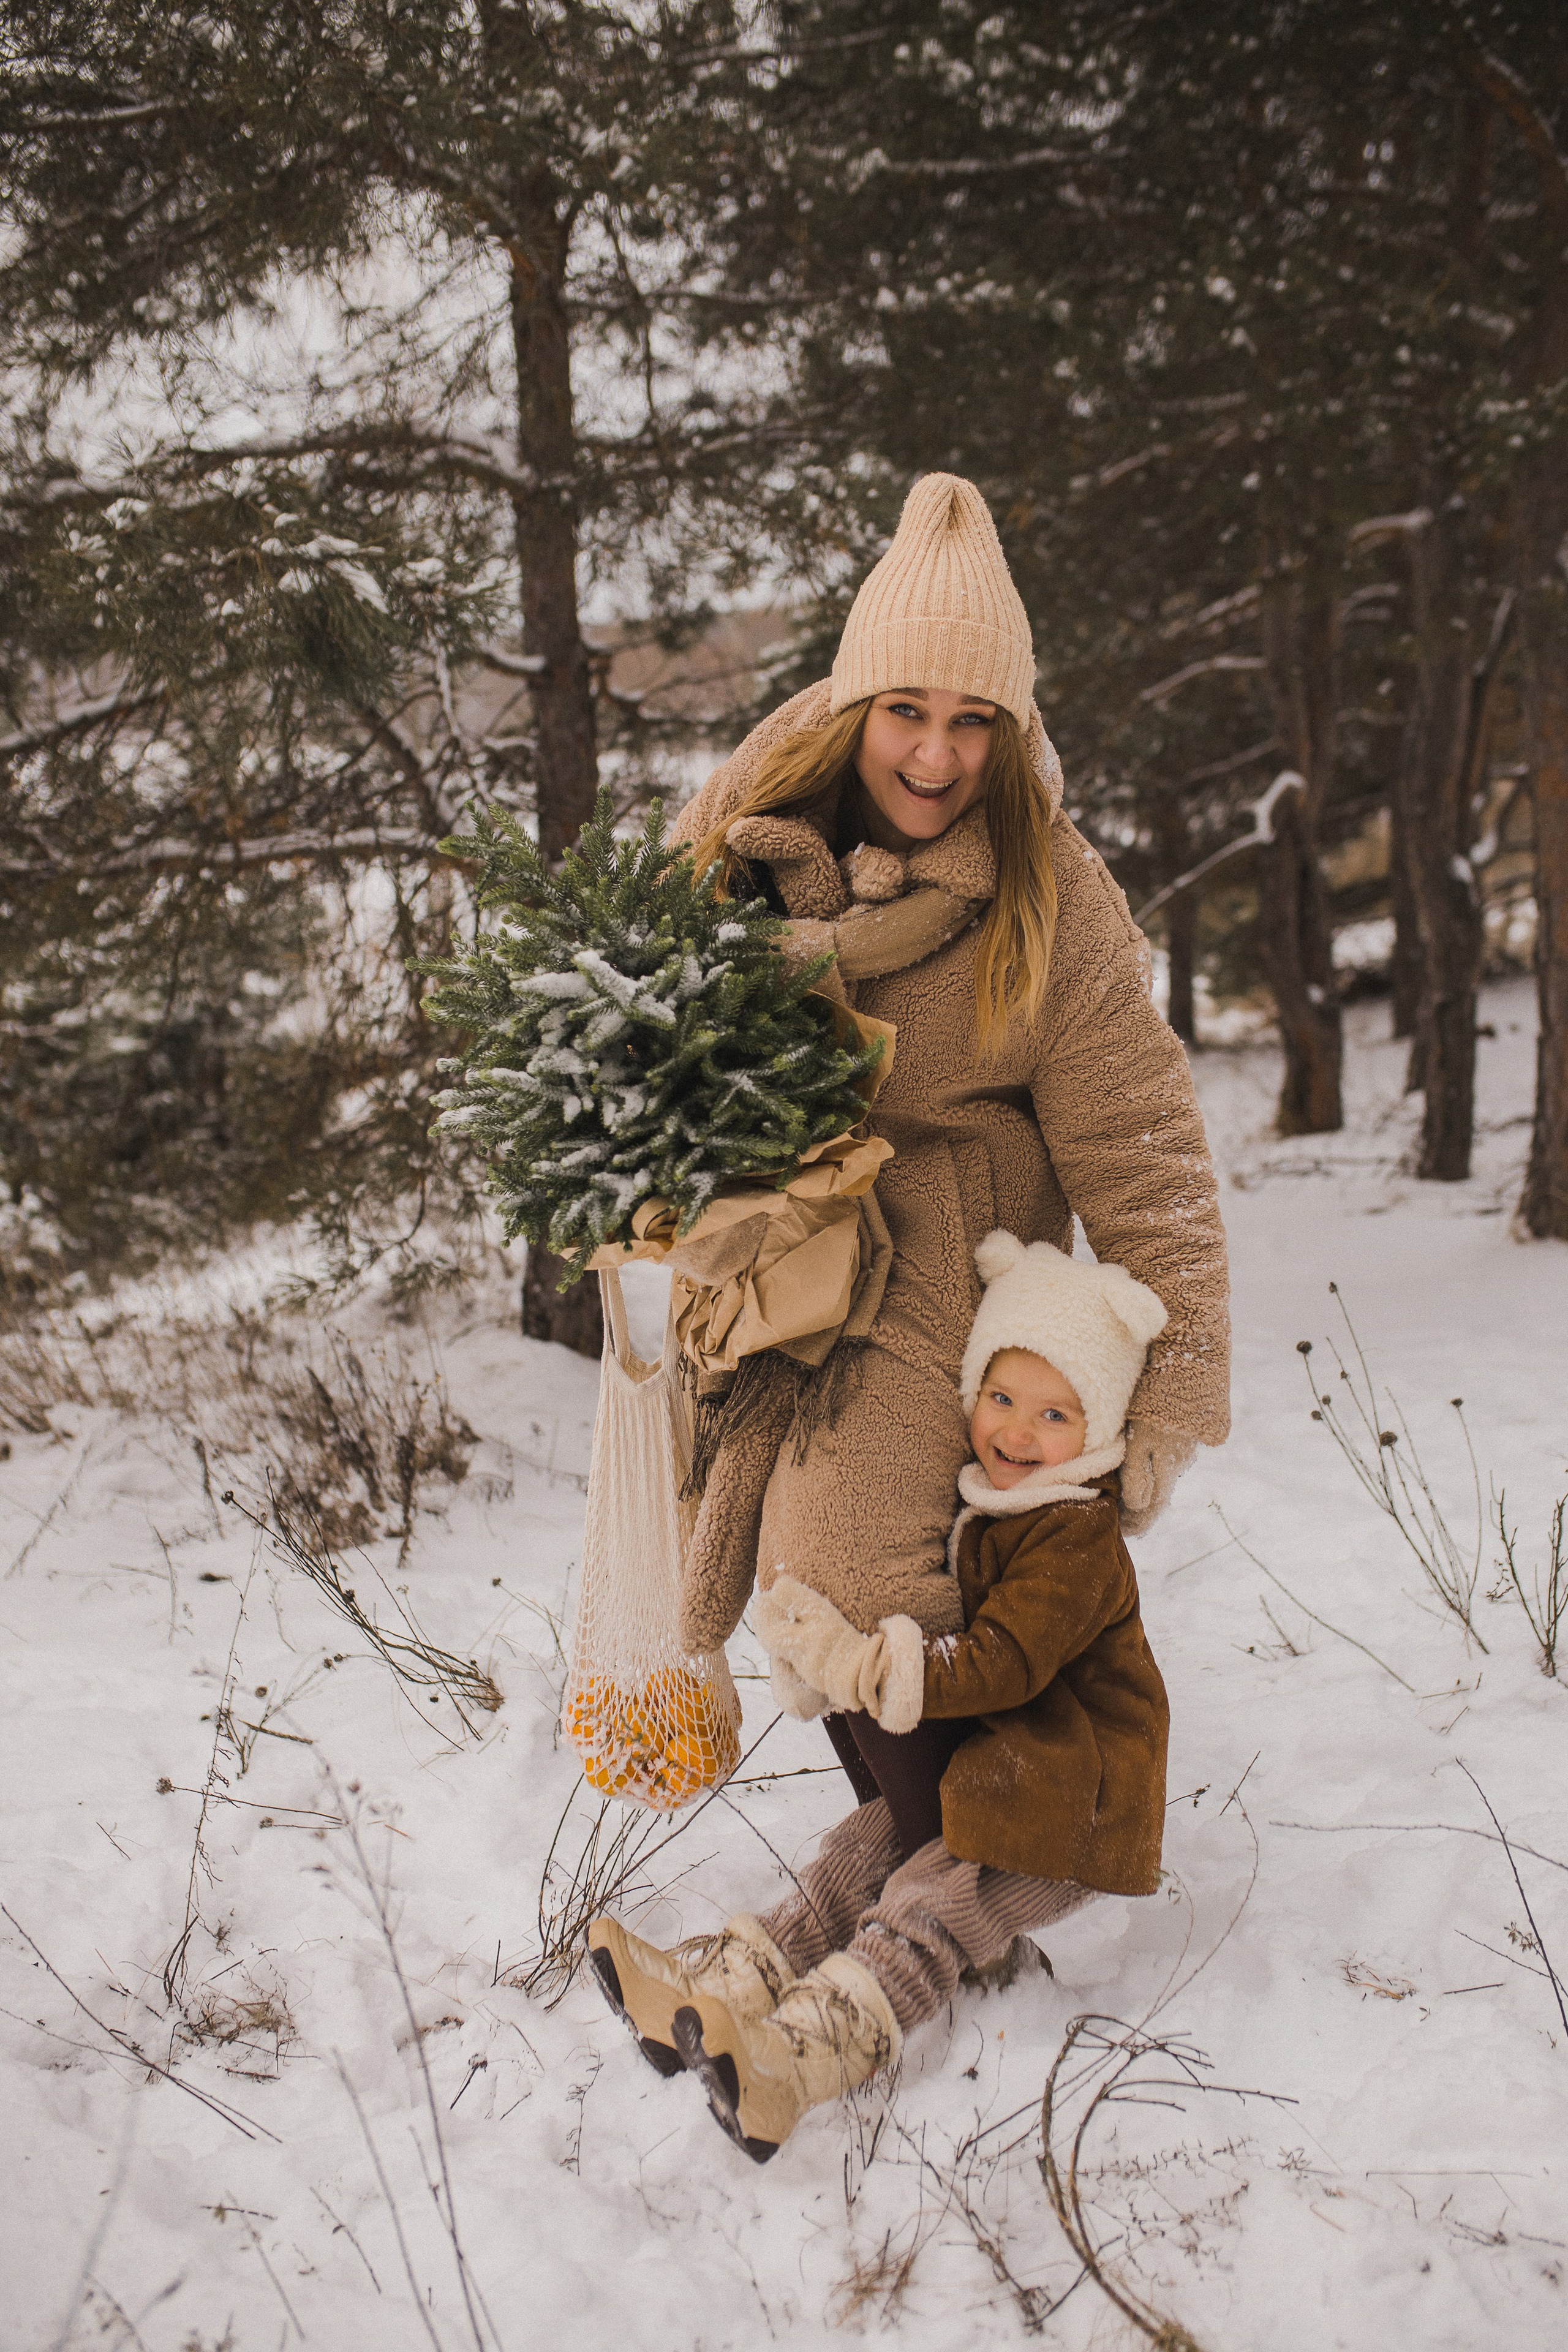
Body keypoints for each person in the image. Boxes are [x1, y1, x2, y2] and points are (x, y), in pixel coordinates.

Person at [666, 472, 1229, 1823]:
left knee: (867, 1570)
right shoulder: (733, 859)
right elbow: (641, 1030)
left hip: (958, 1258)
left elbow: (1137, 1137)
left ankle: (964, 1865)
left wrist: (1176, 1382)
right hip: (782, 1263)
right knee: (810, 1581)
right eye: (908, 714)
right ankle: (918, 1853)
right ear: (855, 707)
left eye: (973, 721)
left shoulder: (1051, 890)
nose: (935, 756)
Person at [588, 1232, 1172, 2160]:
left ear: (1101, 1429)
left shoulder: (1075, 1534)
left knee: (927, 1902)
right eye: (1002, 1397)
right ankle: (725, 1990)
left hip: (1069, 1809)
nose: (1017, 1431)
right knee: (859, 1853)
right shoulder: (998, 1502)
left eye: (1055, 1415)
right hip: (1006, 1776)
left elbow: (1006, 1662)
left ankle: (802, 2060)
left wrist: (872, 1664)